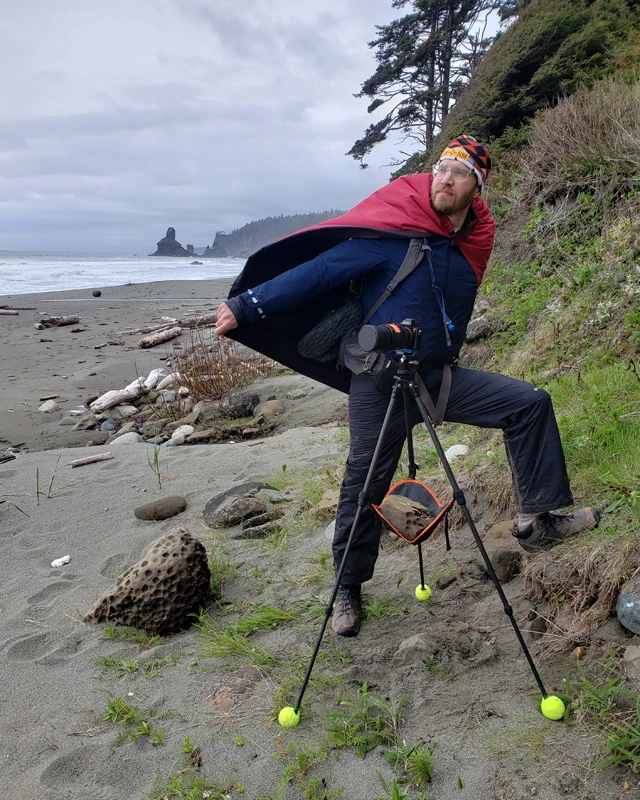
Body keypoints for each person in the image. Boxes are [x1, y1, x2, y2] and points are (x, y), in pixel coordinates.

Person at [214, 135, 600, 638]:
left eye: (459, 173)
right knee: (365, 481)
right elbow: (322, 270)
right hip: (378, 381)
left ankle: (536, 522)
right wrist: (248, 307)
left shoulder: (471, 246)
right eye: (441, 168)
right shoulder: (392, 234)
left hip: (438, 380)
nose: (445, 178)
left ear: (476, 188)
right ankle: (348, 589)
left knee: (529, 404)